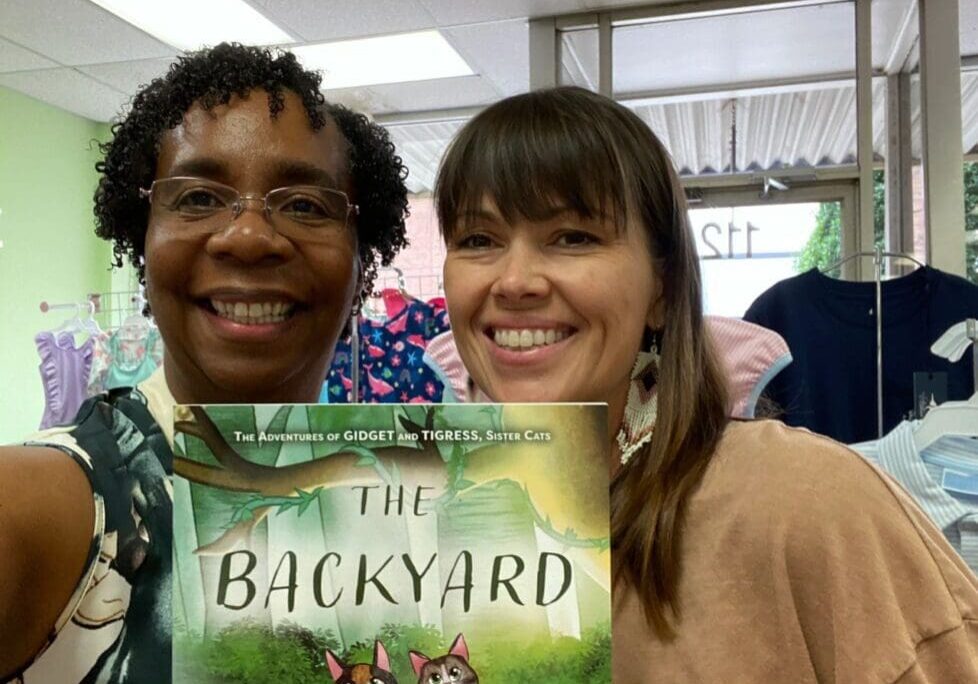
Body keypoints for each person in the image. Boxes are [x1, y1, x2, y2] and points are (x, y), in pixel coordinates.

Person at [434, 86, 978, 682]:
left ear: (662, 288)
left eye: (573, 237)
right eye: (478, 240)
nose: (514, 281)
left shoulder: (808, 502)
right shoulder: (394, 509)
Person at [0, 43, 408, 683]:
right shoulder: (57, 501)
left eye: (305, 204)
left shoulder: (407, 496)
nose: (247, 236)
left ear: (363, 263)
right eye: (196, 198)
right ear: (143, 240)